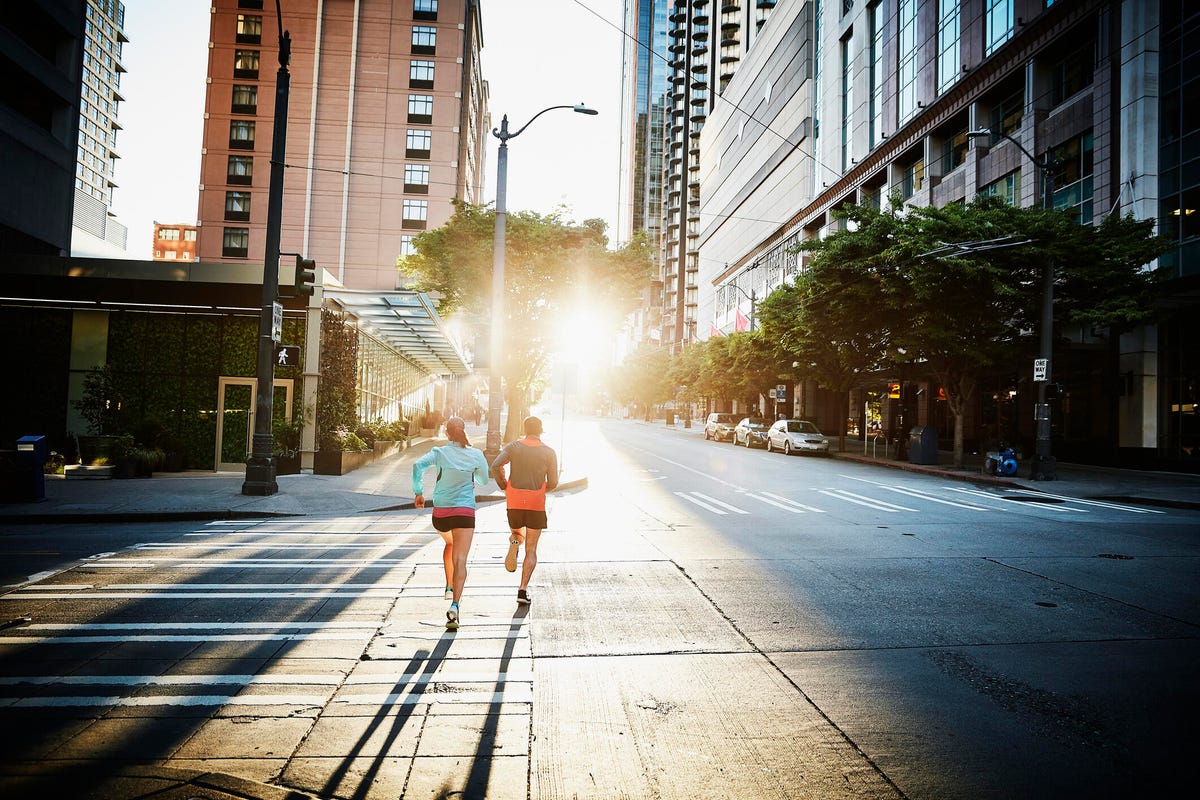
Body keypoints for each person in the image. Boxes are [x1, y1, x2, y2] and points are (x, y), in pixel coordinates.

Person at [412, 416, 489, 630]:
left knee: (449, 543)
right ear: (464, 431)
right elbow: (484, 480)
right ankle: (455, 606)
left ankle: (448, 586)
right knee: (461, 559)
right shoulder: (475, 454)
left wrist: (418, 493)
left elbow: (417, 466)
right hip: (465, 512)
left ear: (447, 433)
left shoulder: (439, 452)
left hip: (441, 514)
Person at [489, 416, 558, 605]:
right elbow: (553, 482)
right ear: (541, 430)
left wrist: (505, 485)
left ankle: (514, 541)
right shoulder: (549, 452)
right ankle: (522, 590)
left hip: (515, 500)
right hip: (536, 502)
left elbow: (495, 465)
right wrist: (543, 488)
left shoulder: (513, 447)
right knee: (532, 549)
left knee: (518, 533)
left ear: (524, 428)